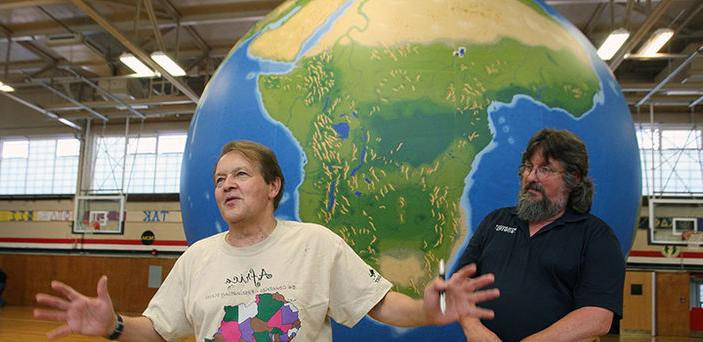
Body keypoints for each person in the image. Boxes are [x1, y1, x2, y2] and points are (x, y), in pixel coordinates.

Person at [34, 140, 499, 341]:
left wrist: (429, 310)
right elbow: (158, 330)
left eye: (240, 174)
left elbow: (379, 305)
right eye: (219, 179)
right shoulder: (197, 258)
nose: (227, 185)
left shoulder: (316, 244)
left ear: (273, 186)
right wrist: (113, 324)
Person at [458, 129, 625, 342]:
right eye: (528, 167)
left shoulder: (596, 237)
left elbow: (598, 317)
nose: (531, 177)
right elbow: (459, 285)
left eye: (544, 169)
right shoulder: (495, 221)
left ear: (572, 178)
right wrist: (473, 328)